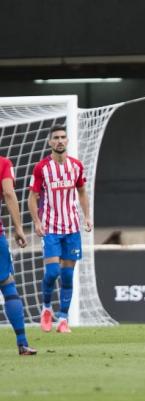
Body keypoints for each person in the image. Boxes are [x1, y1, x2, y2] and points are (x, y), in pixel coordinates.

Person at [28, 125, 92, 334]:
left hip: (72, 227)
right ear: (49, 142)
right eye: (56, 138)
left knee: (67, 275)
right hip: (51, 228)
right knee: (53, 272)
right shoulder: (41, 168)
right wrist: (37, 222)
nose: (60, 141)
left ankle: (63, 319)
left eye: (63, 137)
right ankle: (46, 309)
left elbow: (82, 192)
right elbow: (32, 197)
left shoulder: (76, 166)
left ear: (67, 140)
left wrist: (87, 216)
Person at [0, 155, 36, 355]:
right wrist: (19, 228)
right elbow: (8, 193)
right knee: (7, 284)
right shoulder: (3, 163)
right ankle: (22, 343)